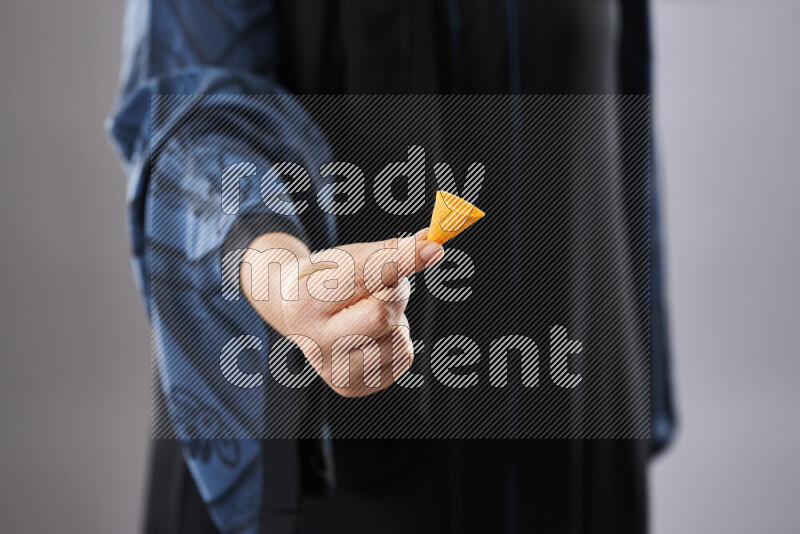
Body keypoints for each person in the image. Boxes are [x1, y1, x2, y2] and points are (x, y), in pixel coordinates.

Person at [108, 1, 675, 533]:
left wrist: (634, 393)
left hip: (565, 431)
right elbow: (189, 114)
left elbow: (619, 109)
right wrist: (276, 271)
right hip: (319, 451)